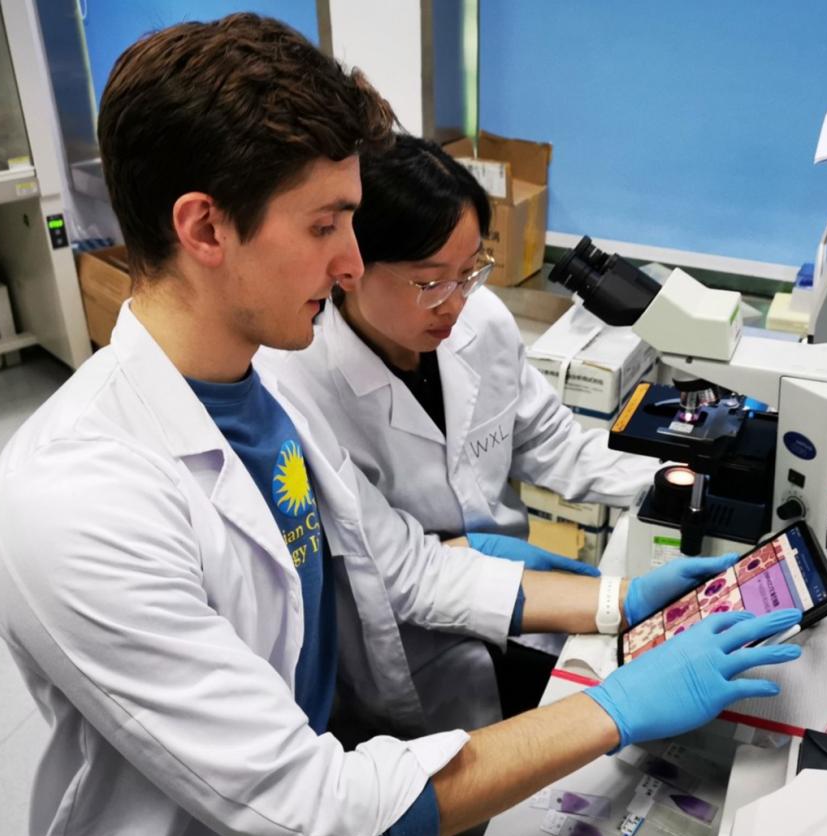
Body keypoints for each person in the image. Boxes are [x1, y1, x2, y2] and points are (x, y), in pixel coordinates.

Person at [0, 14, 802, 836]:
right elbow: (312, 808)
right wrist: (613, 709)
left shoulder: (256, 392)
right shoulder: (76, 502)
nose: (347, 266)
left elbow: (402, 565)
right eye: (326, 225)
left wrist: (615, 602)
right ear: (206, 229)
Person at [261, 134, 666, 731]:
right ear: (350, 270)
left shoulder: (482, 322)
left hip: (521, 602)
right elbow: (402, 574)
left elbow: (550, 441)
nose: (456, 304)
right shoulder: (300, 385)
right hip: (413, 645)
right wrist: (613, 601)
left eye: (471, 270)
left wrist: (676, 482)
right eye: (431, 282)